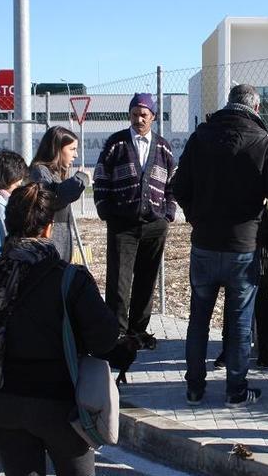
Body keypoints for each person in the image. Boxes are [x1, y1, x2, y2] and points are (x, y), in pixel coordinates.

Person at [0, 182, 119, 475]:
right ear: (48, 228)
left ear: (9, 225)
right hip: (62, 406)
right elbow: (105, 339)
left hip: (5, 404)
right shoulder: (70, 279)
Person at [173, 84, 268, 408]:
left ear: (229, 104)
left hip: (205, 244)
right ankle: (235, 391)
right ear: (256, 108)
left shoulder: (201, 137)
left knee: (198, 319)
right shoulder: (262, 140)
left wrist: (195, 215)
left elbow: (178, 186)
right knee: (240, 322)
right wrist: (265, 208)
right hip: (243, 245)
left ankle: (194, 388)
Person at [93, 93, 176, 349]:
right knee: (119, 280)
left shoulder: (163, 147)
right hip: (122, 224)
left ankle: (139, 331)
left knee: (147, 278)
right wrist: (104, 209)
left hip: (154, 224)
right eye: (134, 114)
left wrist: (168, 213)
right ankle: (117, 333)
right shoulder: (116, 144)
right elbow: (101, 178)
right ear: (129, 115)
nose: (139, 119)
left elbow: (173, 182)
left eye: (144, 115)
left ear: (152, 117)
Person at [214, 200, 268, 370]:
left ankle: (264, 348)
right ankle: (228, 349)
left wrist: (265, 201)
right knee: (232, 296)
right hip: (235, 240)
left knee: (262, 298)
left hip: (262, 242)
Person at [30, 126, 90, 263]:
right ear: (57, 149)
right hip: (48, 247)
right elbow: (53, 198)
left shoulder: (55, 173)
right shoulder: (40, 171)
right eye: (72, 149)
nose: (76, 155)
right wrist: (80, 180)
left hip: (59, 247)